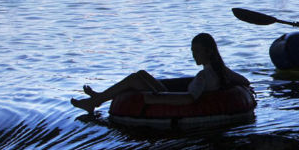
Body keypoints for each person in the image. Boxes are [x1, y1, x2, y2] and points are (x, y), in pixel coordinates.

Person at [70, 33, 250, 114]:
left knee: (134, 79)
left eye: (197, 51)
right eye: (192, 50)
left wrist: (153, 99)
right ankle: (97, 99)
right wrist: (227, 87)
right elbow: (245, 81)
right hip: (179, 92)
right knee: (140, 73)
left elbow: (189, 99)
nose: (193, 54)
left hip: (170, 98)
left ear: (209, 52)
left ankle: (95, 101)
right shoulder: (222, 71)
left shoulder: (203, 77)